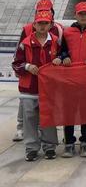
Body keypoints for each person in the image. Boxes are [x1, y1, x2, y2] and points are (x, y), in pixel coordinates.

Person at [12, 10, 62, 161]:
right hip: (29, 88)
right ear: (34, 24)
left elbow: (64, 56)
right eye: (39, 23)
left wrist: (60, 59)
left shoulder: (56, 42)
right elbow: (16, 64)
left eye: (45, 23)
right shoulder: (25, 44)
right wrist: (27, 66)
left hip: (49, 89)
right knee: (30, 119)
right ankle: (31, 147)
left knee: (48, 118)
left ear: (51, 25)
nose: (42, 26)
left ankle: (49, 147)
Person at [60, 1, 86, 158]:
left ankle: (85, 142)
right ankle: (69, 143)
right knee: (69, 112)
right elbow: (62, 50)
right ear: (75, 15)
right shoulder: (67, 32)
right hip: (69, 79)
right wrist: (64, 57)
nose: (83, 16)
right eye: (80, 14)